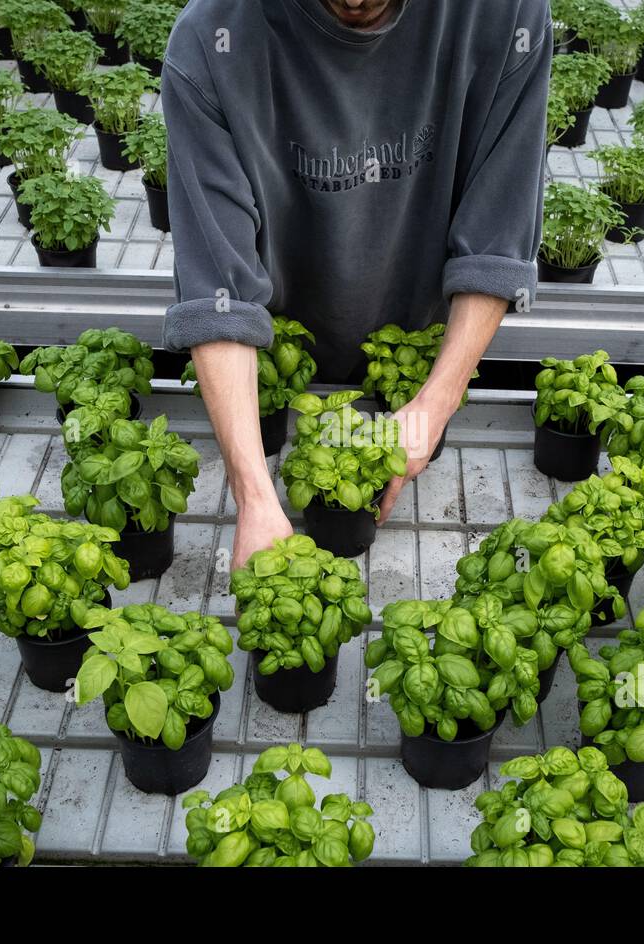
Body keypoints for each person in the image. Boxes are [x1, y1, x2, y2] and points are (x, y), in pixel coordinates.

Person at [161, 0, 552, 568]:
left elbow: (497, 229)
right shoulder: (212, 38)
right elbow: (217, 285)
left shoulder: (504, 13)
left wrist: (435, 402)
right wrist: (255, 495)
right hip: (279, 350)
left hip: (418, 348)